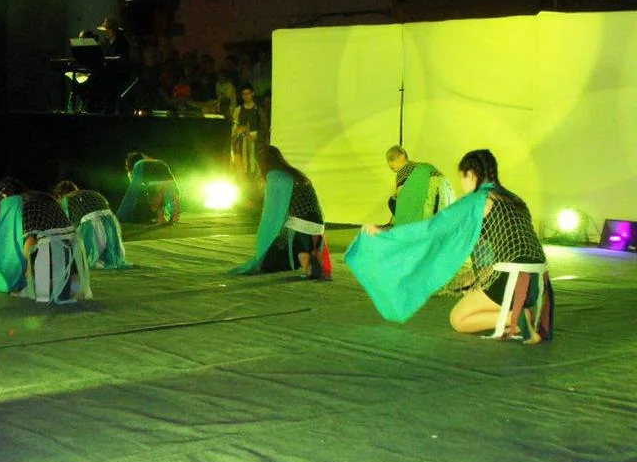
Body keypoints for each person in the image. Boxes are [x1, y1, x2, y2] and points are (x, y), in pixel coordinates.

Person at [345, 149, 554, 343]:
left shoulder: (478, 199)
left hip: (511, 278)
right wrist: (476, 277)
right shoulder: (514, 200)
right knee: (473, 305)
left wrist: (386, 233)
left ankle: (514, 317)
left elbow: (434, 228)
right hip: (537, 282)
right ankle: (519, 317)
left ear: (470, 175)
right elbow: (497, 245)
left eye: (462, 177)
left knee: (459, 320)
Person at [0, 177, 92, 303]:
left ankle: (39, 287)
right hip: (75, 248)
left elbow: (30, 242)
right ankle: (73, 288)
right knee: (70, 279)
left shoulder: (24, 205)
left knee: (40, 286)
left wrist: (27, 270)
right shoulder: (44, 198)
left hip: (52, 248)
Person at [230, 145, 332, 279]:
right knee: (291, 246)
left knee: (268, 262)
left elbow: (272, 211)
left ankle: (304, 259)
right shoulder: (296, 174)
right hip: (318, 225)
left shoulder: (274, 176)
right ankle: (309, 258)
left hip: (299, 226)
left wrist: (265, 234)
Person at [53, 180, 129, 269]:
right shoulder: (90, 193)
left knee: (81, 255)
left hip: (91, 225)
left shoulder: (67, 199)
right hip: (110, 224)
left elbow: (69, 226)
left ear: (59, 195)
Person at [385, 146, 454, 225]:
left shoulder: (403, 170)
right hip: (445, 193)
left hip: (429, 197)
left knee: (392, 201)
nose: (390, 164)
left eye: (392, 159)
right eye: (388, 161)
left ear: (402, 156)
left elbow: (401, 197)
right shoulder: (418, 166)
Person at [115, 152, 181, 225]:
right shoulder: (155, 165)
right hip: (162, 179)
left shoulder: (138, 167)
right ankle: (163, 216)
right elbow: (173, 189)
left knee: (158, 195)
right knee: (168, 193)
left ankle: (162, 215)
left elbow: (134, 190)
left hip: (159, 182)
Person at [232, 87, 266, 178]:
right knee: (242, 170)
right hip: (242, 143)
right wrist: (238, 131)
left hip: (255, 143)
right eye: (244, 94)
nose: (246, 96)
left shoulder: (258, 110)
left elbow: (264, 127)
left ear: (252, 94)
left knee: (255, 168)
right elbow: (234, 127)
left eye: (248, 94)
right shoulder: (238, 110)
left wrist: (256, 136)